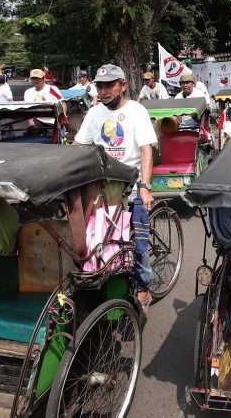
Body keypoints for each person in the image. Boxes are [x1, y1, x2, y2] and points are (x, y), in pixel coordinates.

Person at [74, 64, 157, 311]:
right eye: (99, 86)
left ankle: (143, 287)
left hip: (131, 188)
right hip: (101, 191)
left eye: (109, 85)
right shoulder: (94, 113)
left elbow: (146, 149)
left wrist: (145, 185)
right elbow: (80, 148)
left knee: (139, 244)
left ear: (122, 85)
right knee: (91, 241)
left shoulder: (136, 111)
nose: (103, 91)